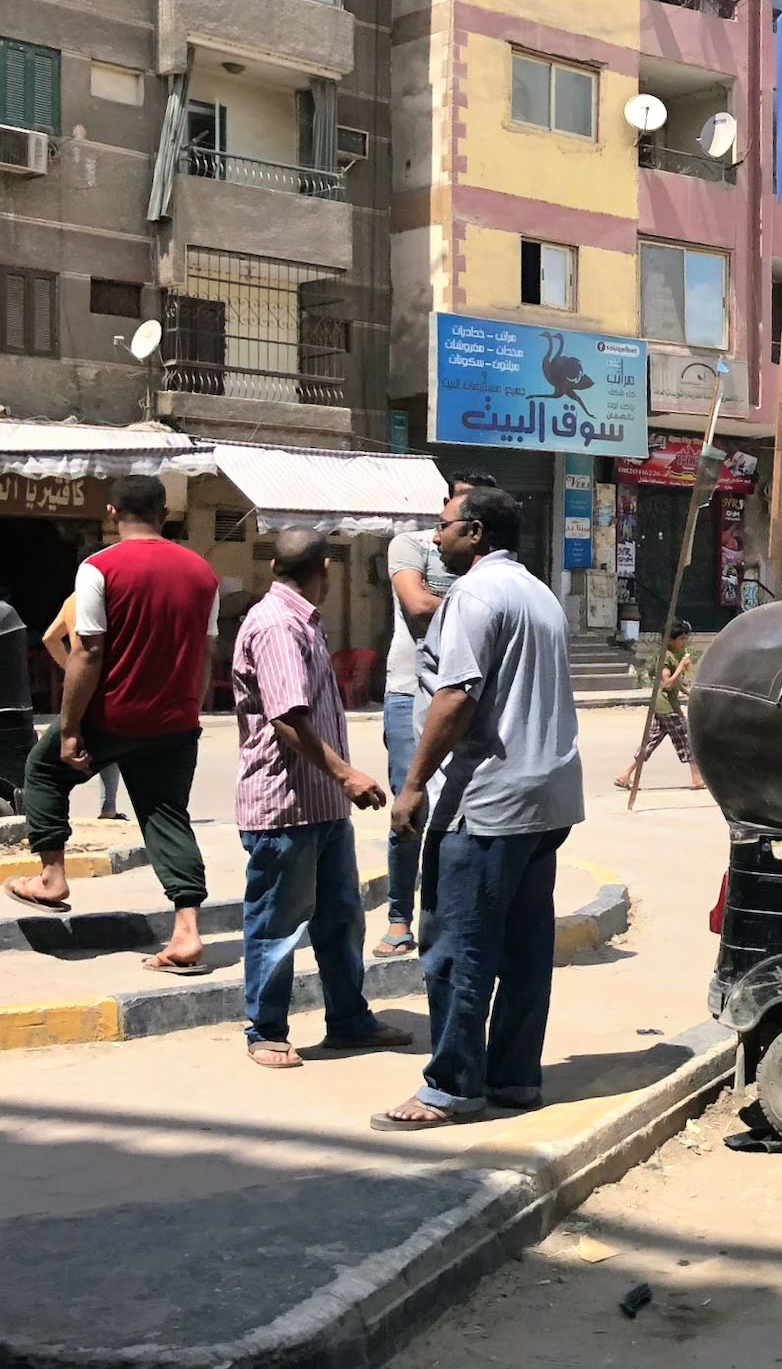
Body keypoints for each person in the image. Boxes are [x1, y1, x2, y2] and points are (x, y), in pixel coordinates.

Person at [374, 488, 584, 1130]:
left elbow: (457, 695)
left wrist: (412, 786)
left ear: (476, 533)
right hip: (546, 798)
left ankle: (452, 1087)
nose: (435, 539)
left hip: (489, 799)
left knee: (457, 946)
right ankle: (514, 1078)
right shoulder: (538, 593)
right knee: (523, 949)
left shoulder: (473, 596)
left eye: (444, 528)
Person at [4, 476, 219, 971]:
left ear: (111, 512)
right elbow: (206, 654)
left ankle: (52, 877)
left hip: (114, 714)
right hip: (176, 719)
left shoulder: (99, 567)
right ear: (165, 515)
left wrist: (72, 724)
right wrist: (194, 710)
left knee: (42, 769)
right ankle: (187, 930)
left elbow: (88, 650)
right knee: (166, 814)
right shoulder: (201, 572)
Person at [232, 528, 414, 1069]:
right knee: (277, 923)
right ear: (325, 570)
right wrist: (346, 775)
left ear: (274, 568)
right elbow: (288, 718)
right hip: (285, 806)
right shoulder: (277, 625)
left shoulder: (302, 620)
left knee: (340, 918)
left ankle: (349, 1020)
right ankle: (265, 1029)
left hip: (322, 807)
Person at [378, 467, 500, 959]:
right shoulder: (410, 546)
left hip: (470, 696)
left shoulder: (494, 568)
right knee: (410, 808)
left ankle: (449, 916)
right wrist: (477, 602)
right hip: (411, 693)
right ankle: (398, 917)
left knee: (463, 814)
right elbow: (418, 605)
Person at [42, 593, 122, 819]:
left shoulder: (72, 601)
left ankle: (105, 807)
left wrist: (71, 671)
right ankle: (109, 807)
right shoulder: (107, 599)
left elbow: (50, 638)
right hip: (104, 678)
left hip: (82, 682)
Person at [613, 620, 703, 792]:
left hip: (661, 707)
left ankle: (625, 775)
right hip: (668, 708)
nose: (683, 643)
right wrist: (682, 667)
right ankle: (696, 778)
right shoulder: (665, 657)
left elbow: (674, 685)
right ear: (670, 639)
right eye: (681, 639)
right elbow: (667, 683)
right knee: (687, 739)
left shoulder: (669, 655)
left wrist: (688, 692)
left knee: (650, 742)